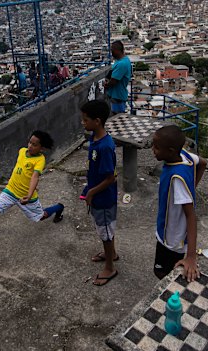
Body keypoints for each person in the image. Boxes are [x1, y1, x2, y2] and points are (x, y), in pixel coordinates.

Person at [151, 125, 207, 282]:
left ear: (169, 151)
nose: (152, 150)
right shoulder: (184, 155)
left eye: (156, 147)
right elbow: (203, 163)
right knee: (165, 271)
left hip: (172, 239)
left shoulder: (177, 178)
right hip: (169, 231)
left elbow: (191, 216)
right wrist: (191, 189)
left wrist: (191, 256)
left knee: (162, 273)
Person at [80, 100, 119, 286]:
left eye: (85, 120)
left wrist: (91, 193)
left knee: (105, 231)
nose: (83, 123)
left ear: (97, 121)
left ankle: (110, 267)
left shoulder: (105, 146)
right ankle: (111, 253)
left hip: (103, 198)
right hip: (97, 194)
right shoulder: (94, 138)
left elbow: (110, 178)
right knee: (106, 228)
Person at [104, 41, 132, 114]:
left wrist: (106, 84)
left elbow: (114, 81)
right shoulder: (124, 60)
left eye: (112, 51)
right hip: (118, 94)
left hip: (117, 95)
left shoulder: (121, 64)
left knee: (117, 117)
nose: (111, 53)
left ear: (117, 51)